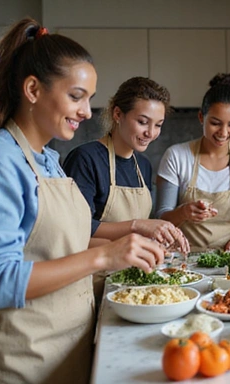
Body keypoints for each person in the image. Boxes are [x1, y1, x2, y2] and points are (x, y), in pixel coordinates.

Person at [0, 18, 164, 383]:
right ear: (33, 89)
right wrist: (104, 255)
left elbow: (64, 241)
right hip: (19, 356)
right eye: (76, 96)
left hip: (65, 344)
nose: (86, 112)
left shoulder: (47, 159)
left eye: (89, 99)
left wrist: (130, 245)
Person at [63, 77, 189, 302]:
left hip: (133, 283)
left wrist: (154, 240)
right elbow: (76, 229)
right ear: (118, 114)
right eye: (142, 122)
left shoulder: (143, 166)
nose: (150, 132)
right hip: (92, 284)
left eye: (158, 124)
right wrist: (137, 227)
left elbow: (137, 232)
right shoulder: (86, 159)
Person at [156, 73, 230, 254]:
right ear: (201, 117)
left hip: (229, 264)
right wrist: (183, 212)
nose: (223, 132)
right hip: (182, 263)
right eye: (215, 123)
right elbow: (161, 217)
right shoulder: (177, 156)